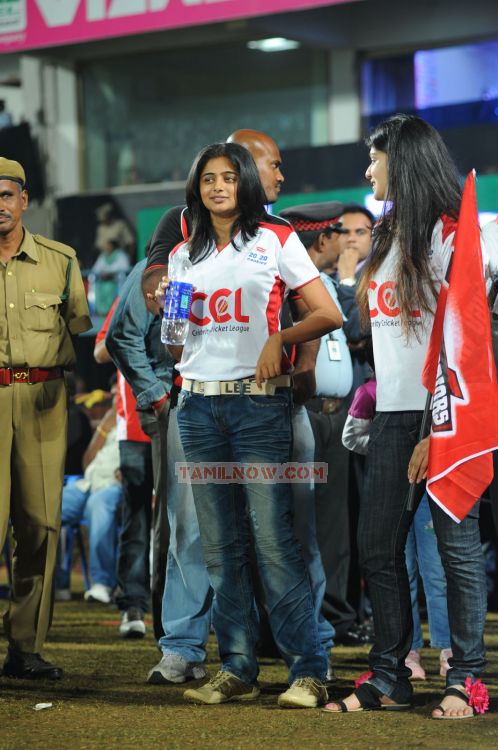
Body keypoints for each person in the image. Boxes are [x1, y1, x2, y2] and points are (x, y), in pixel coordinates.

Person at [147, 129, 335, 677]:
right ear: (196, 189)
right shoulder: (183, 254)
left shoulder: (275, 238)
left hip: (258, 409)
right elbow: (176, 342)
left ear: (245, 183)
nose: (218, 187)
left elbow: (328, 313)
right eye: (208, 179)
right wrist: (169, 311)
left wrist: (282, 339)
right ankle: (236, 669)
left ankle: (308, 669)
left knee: (275, 544)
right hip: (199, 408)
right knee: (220, 549)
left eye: (229, 177)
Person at [324, 114, 491, 719]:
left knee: (455, 548)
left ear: (404, 159)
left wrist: (431, 431)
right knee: (378, 548)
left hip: (444, 415)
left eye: (375, 159)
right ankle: (391, 676)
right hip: (393, 414)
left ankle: (467, 678)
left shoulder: (451, 233)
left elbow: (463, 339)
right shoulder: (390, 230)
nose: (368, 170)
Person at [0, 156, 91, 679]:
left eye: (8, 195)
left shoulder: (61, 260)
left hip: (44, 404)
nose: (1, 206)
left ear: (24, 200)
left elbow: (76, 326)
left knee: (40, 526)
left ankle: (25, 648)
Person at [106, 260, 212, 676]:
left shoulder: (257, 245)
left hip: (240, 403)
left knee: (235, 525)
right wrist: (157, 397)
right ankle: (179, 643)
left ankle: (236, 645)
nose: (220, 189)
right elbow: (119, 336)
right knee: (179, 526)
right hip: (181, 401)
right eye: (209, 186)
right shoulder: (173, 257)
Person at [55, 392, 122, 604]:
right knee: (49, 508)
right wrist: (103, 429)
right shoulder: (110, 422)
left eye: (119, 393)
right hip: (88, 483)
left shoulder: (142, 419)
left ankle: (102, 582)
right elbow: (86, 461)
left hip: (116, 485)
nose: (115, 398)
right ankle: (57, 583)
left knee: (98, 505)